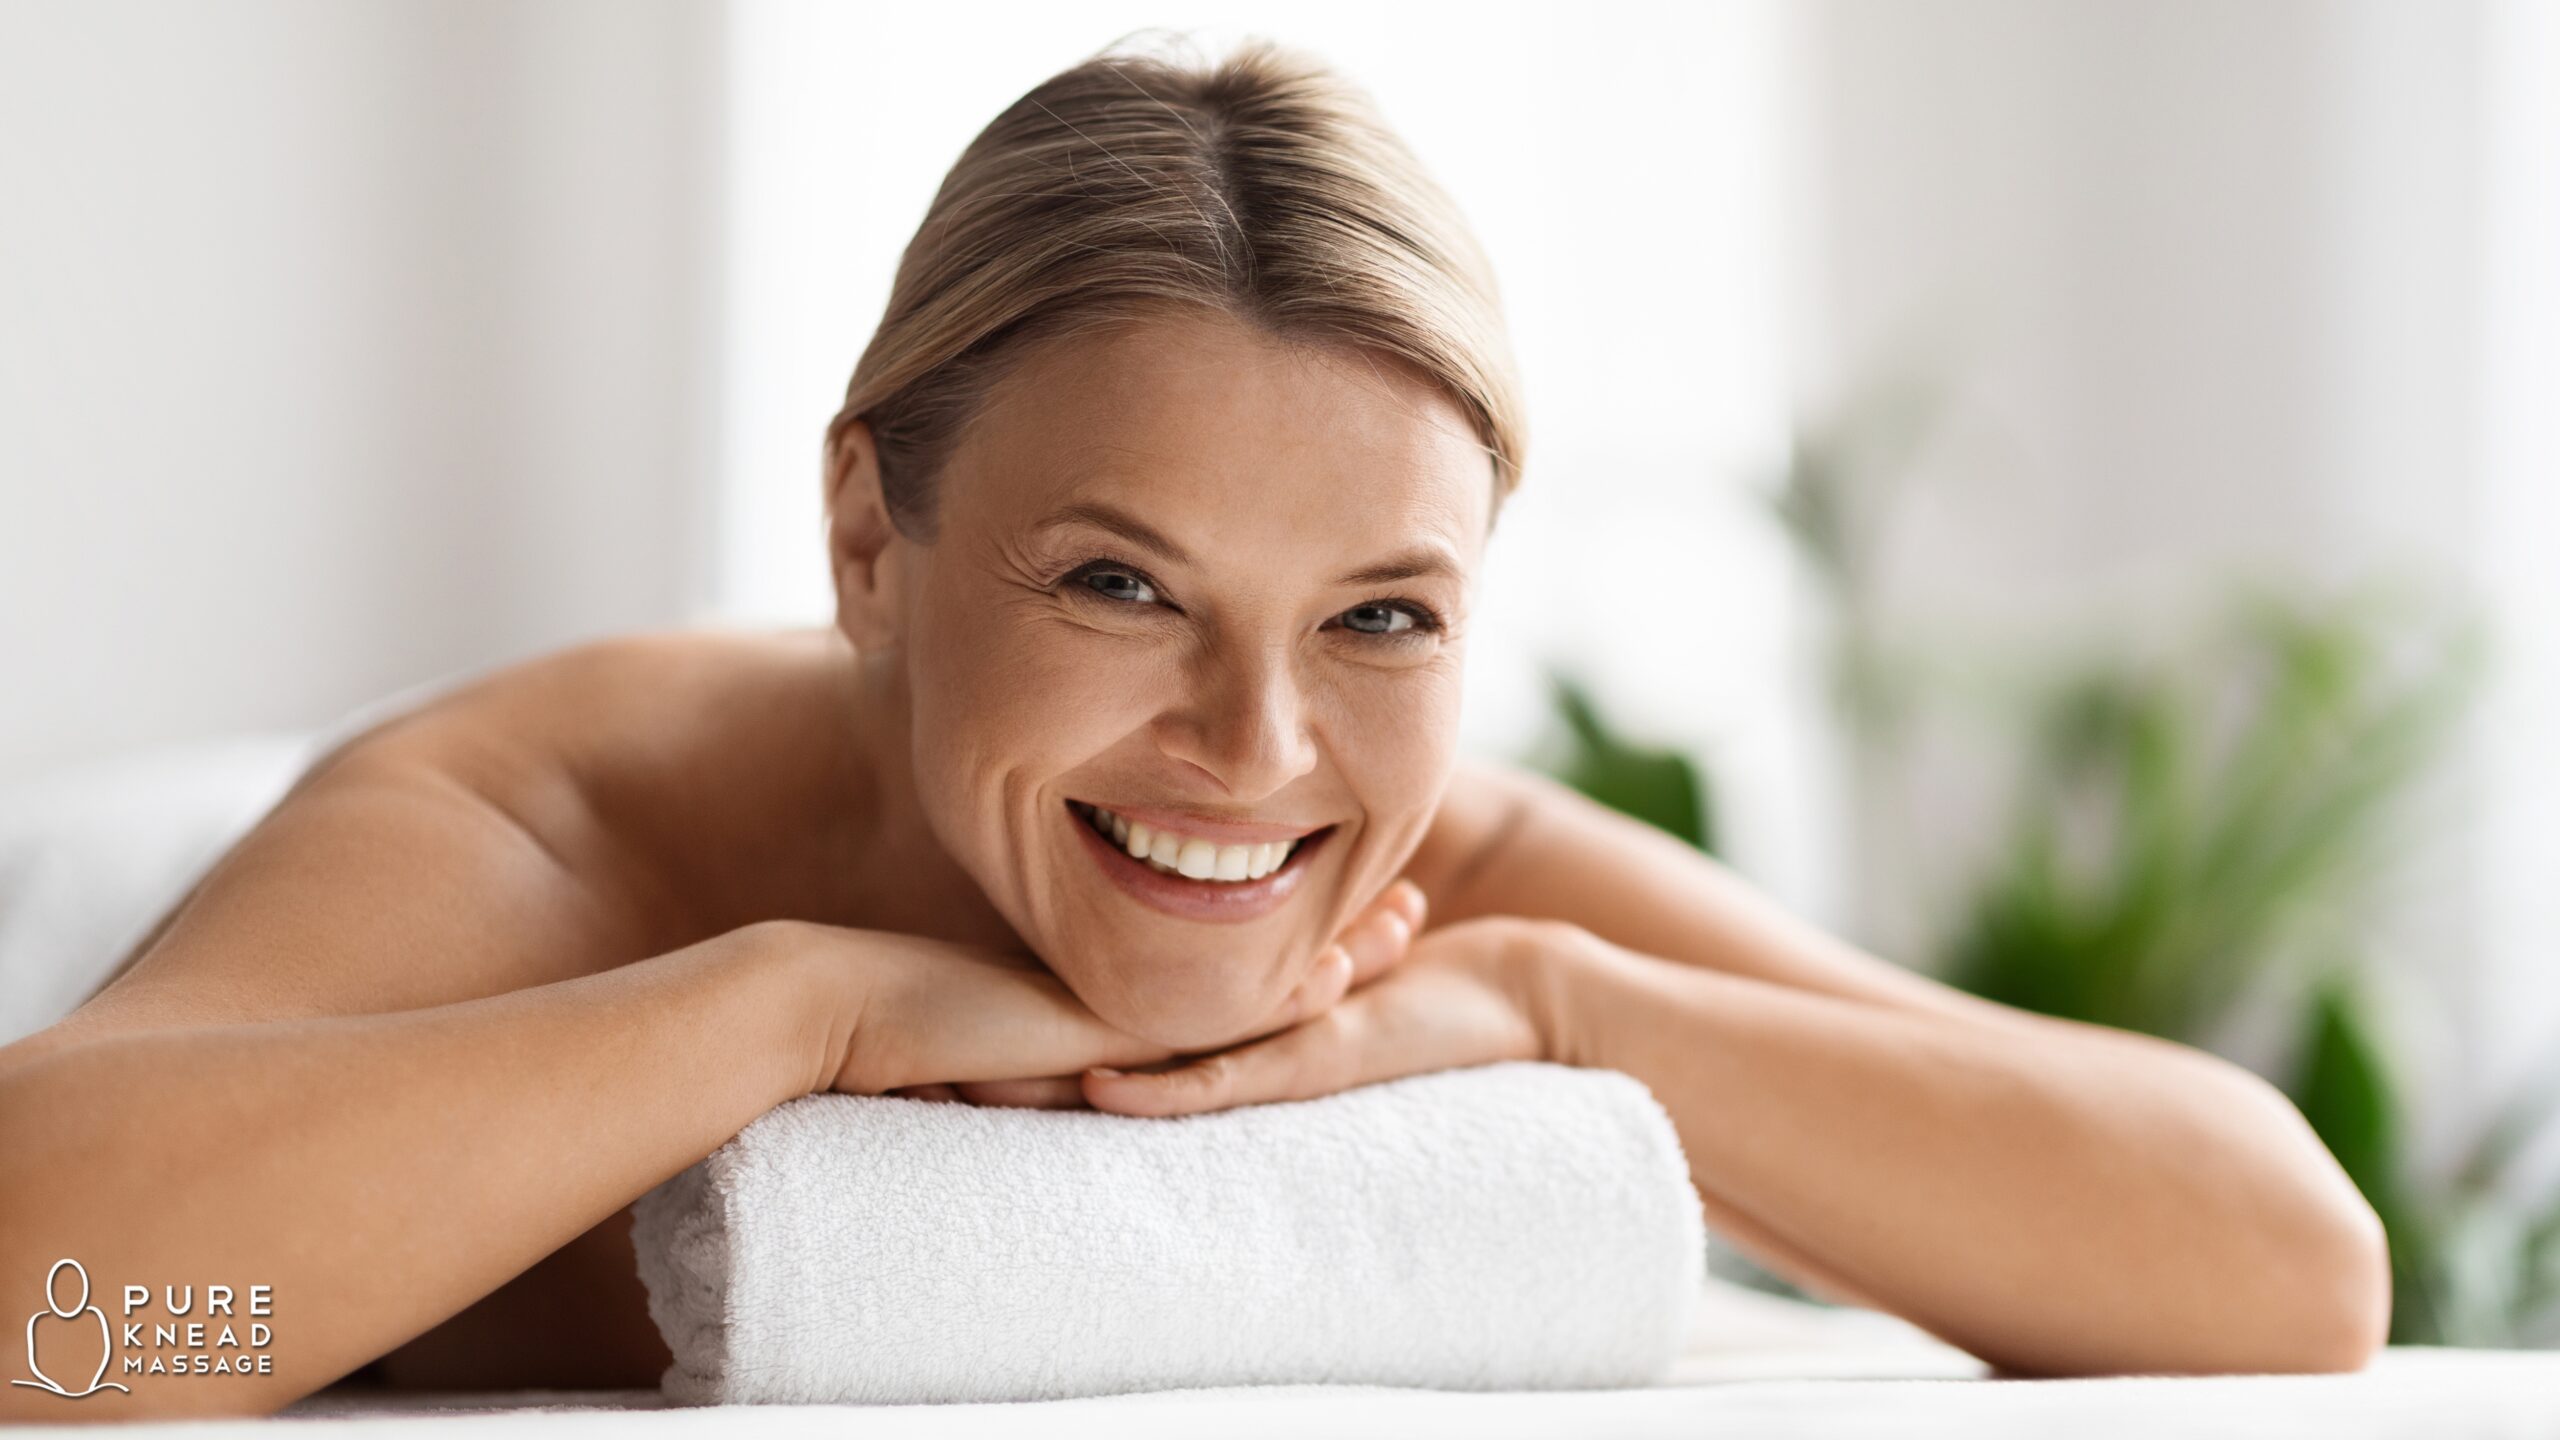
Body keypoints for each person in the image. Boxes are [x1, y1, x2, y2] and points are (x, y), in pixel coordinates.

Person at [0, 38, 2386, 1421]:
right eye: (1120, 583)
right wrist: (790, 1006)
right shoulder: (560, 824)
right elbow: (56, 1310)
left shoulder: (1443, 880)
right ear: (867, 546)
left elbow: (2283, 1276)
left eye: (1376, 615)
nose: (1254, 747)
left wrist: (1544, 1005)